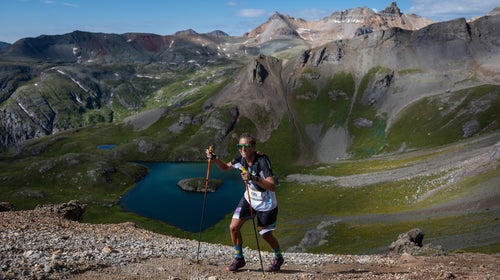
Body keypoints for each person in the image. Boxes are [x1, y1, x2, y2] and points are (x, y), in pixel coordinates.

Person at [205, 133, 284, 272]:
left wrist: (253, 178)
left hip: (266, 202)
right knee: (233, 227)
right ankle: (239, 259)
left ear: (253, 147)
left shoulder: (262, 161)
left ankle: (278, 257)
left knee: (265, 234)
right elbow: (225, 168)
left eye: (246, 146)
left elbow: (272, 185)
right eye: (239, 146)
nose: (242, 149)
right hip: (249, 198)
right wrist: (215, 158)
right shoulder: (240, 158)